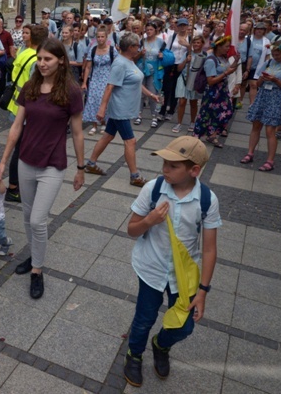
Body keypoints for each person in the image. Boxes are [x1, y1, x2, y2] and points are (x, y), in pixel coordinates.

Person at [123, 136, 220, 388]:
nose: (165, 169)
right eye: (164, 162)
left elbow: (209, 249)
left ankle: (161, 344)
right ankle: (134, 354)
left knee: (185, 327)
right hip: (151, 269)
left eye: (173, 165)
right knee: (144, 318)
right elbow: (131, 229)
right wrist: (149, 221)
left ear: (194, 170)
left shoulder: (207, 200)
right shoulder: (153, 189)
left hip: (184, 276)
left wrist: (203, 291)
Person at [0, 38, 85, 299]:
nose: (42, 63)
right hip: (25, 161)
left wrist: (81, 167)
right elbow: (15, 128)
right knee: (26, 216)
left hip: (53, 165)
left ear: (60, 60)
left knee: (38, 219)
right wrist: (3, 161)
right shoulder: (30, 86)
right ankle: (35, 255)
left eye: (48, 59)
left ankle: (37, 270)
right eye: (39, 58)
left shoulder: (70, 91)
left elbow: (78, 133)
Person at [84, 33, 159, 187]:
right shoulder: (120, 63)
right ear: (131, 47)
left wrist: (151, 95)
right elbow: (110, 86)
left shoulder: (129, 61)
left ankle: (91, 164)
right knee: (130, 141)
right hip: (120, 110)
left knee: (107, 136)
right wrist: (102, 109)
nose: (139, 47)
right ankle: (135, 175)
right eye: (137, 45)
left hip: (124, 108)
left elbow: (137, 82)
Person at [4, 25, 48, 203]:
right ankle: (14, 188)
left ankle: (17, 185)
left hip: (16, 107)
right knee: (20, 150)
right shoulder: (35, 60)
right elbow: (35, 88)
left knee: (20, 148)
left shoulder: (24, 53)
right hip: (26, 112)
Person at [241, 41, 281, 172]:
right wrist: (263, 79)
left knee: (270, 130)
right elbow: (258, 83)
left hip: (276, 98)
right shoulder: (269, 62)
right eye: (273, 54)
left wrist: (275, 80)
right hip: (263, 96)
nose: (275, 57)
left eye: (277, 54)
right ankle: (250, 153)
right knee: (256, 125)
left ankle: (270, 160)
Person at [193, 36, 238, 148]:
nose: (228, 48)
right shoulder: (210, 60)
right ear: (219, 47)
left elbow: (227, 69)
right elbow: (211, 81)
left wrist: (236, 61)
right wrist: (226, 74)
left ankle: (212, 134)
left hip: (222, 90)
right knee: (206, 114)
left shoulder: (222, 58)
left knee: (225, 113)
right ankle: (197, 136)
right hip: (212, 92)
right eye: (226, 46)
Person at [82, 26, 113, 135]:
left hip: (107, 78)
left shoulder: (111, 49)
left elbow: (116, 66)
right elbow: (88, 67)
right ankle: (94, 124)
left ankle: (104, 123)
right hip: (95, 78)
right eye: (98, 37)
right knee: (92, 100)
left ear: (106, 37)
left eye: (102, 37)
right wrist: (84, 82)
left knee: (103, 100)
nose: (100, 39)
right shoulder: (93, 49)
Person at [159, 18, 191, 122]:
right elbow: (167, 49)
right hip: (171, 64)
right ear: (177, 26)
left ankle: (171, 110)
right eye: (180, 25)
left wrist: (188, 45)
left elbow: (193, 52)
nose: (182, 27)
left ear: (187, 26)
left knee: (176, 89)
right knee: (167, 88)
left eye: (184, 25)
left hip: (182, 65)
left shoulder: (190, 38)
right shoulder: (172, 37)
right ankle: (162, 110)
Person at [174, 36, 207, 133]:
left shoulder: (204, 55)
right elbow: (179, 69)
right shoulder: (187, 54)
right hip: (184, 78)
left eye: (198, 43)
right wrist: (185, 61)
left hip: (195, 81)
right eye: (194, 42)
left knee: (193, 102)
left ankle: (192, 122)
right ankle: (179, 123)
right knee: (182, 102)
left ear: (202, 44)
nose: (196, 44)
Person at [136, 22, 164, 128]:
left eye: (151, 29)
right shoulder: (142, 41)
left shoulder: (161, 42)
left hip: (154, 71)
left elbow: (165, 55)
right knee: (140, 93)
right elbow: (136, 55)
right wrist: (140, 53)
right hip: (142, 69)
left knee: (153, 92)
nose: (148, 32)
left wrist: (162, 56)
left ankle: (154, 116)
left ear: (155, 30)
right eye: (147, 30)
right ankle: (139, 114)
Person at [245, 22, 271, 106]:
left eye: (261, 29)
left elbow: (268, 55)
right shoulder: (248, 38)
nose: (259, 31)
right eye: (258, 29)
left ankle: (252, 104)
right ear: (254, 30)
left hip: (257, 67)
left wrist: (266, 66)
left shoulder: (266, 41)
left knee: (253, 85)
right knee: (242, 84)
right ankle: (240, 100)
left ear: (264, 31)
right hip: (246, 65)